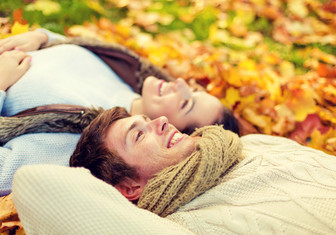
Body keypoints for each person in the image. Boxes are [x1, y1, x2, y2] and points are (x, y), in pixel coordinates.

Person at [11, 107, 336, 235]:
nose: (162, 120)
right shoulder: (181, 226)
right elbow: (35, 183)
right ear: (128, 187)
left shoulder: (249, 144)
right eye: (139, 134)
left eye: (147, 119)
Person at [0, 29, 239, 196]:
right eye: (194, 89)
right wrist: (41, 37)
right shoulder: (128, 74)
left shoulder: (93, 145)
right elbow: (69, 45)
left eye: (185, 104)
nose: (180, 84)